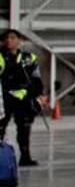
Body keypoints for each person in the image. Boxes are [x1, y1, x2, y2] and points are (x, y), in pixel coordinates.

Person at [1, 29, 47, 166]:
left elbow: (36, 79)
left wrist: (39, 94)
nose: (9, 41)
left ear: (19, 40)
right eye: (6, 38)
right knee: (1, 127)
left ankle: (25, 156)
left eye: (13, 37)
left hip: (24, 97)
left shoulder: (29, 58)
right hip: (5, 97)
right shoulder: (1, 57)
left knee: (25, 127)